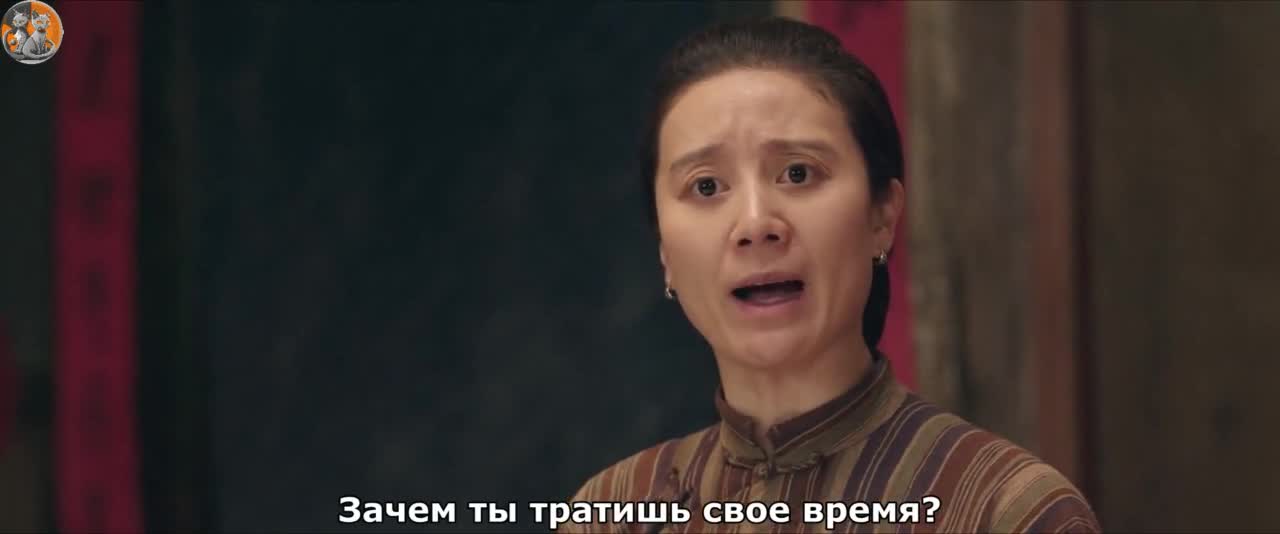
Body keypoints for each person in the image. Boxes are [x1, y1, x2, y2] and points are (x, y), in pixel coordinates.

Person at [562, 16, 1100, 534]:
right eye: (706, 186)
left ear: (882, 216)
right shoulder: (613, 509)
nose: (755, 224)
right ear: (665, 250)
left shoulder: (1003, 509)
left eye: (798, 173)